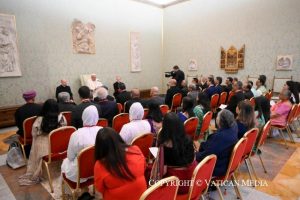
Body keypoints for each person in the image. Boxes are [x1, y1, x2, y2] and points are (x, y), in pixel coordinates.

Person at [18, 99, 66, 185]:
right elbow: (64, 129)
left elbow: (34, 133)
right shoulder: (61, 117)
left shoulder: (40, 119)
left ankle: (41, 170)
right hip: (58, 145)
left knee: (36, 142)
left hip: (44, 147)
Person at [94, 127, 147, 200]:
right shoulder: (135, 150)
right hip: (142, 197)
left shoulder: (100, 165)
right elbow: (144, 168)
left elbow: (99, 191)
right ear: (118, 138)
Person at [61, 106, 102, 182]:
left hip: (81, 172)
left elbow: (70, 157)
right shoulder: (103, 131)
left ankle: (75, 191)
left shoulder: (76, 134)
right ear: (97, 117)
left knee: (65, 163)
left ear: (83, 117)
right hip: (100, 168)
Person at [157, 112, 195, 194]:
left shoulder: (165, 145)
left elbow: (162, 172)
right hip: (194, 178)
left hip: (175, 184)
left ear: (165, 128)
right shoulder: (188, 139)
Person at [196, 109, 238, 177]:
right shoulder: (233, 127)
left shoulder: (220, 137)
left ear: (220, 121)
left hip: (217, 167)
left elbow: (205, 155)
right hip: (225, 161)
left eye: (217, 117)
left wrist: (194, 155)